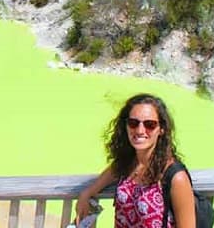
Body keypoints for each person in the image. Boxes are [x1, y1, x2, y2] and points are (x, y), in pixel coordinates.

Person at [76, 93, 195, 228]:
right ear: (125, 126)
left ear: (161, 129)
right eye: (133, 123)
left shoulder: (175, 177)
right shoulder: (127, 163)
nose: (140, 130)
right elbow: (112, 171)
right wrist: (87, 193)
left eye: (149, 124)